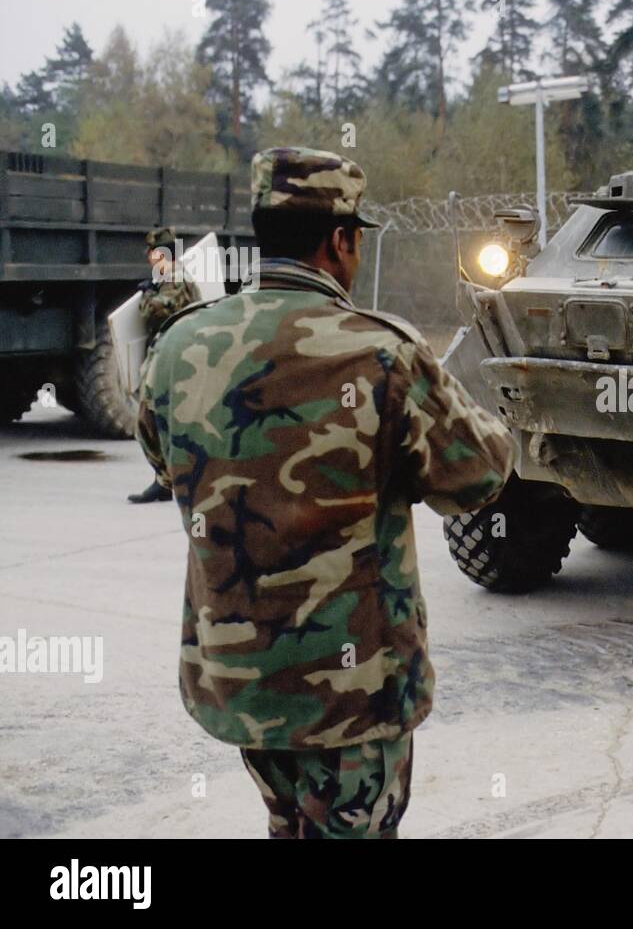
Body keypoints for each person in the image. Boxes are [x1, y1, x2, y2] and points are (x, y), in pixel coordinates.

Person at [135, 146, 517, 838]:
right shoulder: (382, 353)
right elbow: (478, 477)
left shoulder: (178, 347)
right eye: (356, 240)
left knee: (288, 826)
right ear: (340, 242)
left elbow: (166, 461)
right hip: (354, 698)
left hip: (243, 680)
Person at [127, 226, 200, 504]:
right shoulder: (168, 277)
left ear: (160, 253)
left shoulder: (174, 278)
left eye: (151, 251)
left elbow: (153, 311)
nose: (147, 257)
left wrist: (148, 295)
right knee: (163, 420)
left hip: (175, 360)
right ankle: (167, 480)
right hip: (172, 357)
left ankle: (167, 479)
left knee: (151, 419)